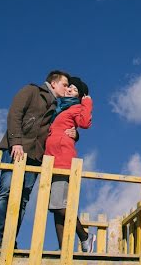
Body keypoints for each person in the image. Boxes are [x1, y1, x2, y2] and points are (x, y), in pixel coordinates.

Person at [0, 70, 75, 249]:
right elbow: (14, 114)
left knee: (23, 198)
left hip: (36, 156)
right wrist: (16, 142)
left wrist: (76, 133)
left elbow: (62, 126)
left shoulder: (58, 107)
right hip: (16, 149)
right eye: (64, 85)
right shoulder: (31, 91)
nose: (66, 89)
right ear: (53, 83)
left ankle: (10, 240)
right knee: (6, 190)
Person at [45, 76, 93, 252]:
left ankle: (85, 236)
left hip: (63, 159)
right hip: (50, 159)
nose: (69, 89)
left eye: (73, 89)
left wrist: (87, 103)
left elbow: (85, 123)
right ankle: (62, 248)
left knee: (58, 205)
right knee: (56, 208)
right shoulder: (59, 108)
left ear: (80, 95)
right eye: (68, 87)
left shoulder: (77, 107)